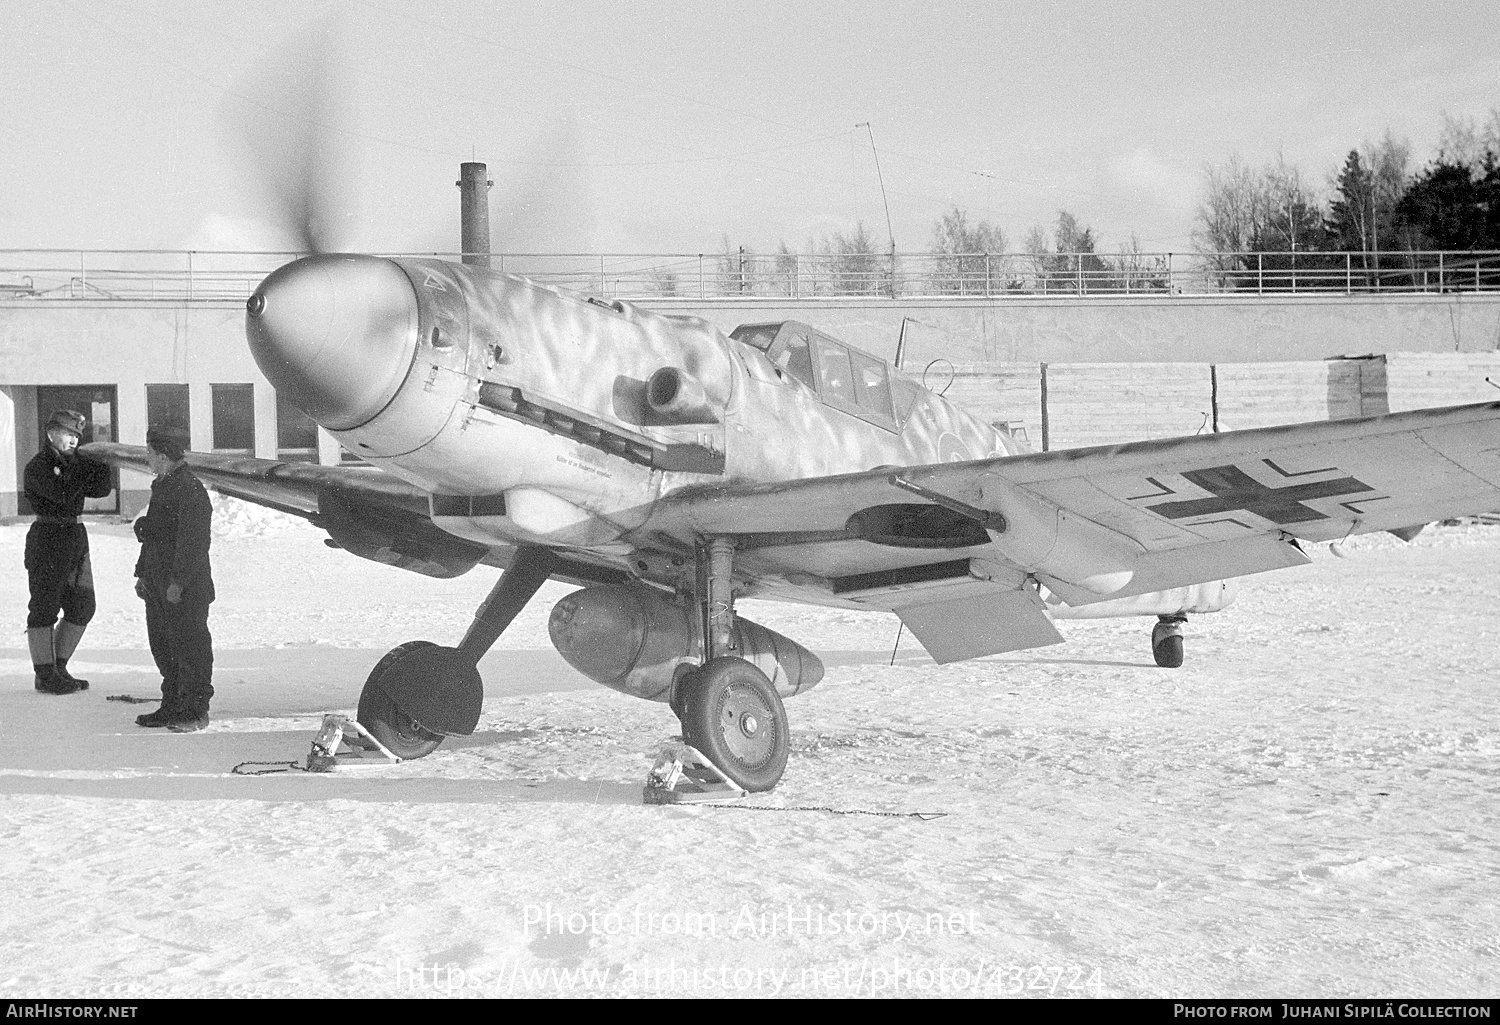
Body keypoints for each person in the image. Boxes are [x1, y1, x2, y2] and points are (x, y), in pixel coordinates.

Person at [132, 424, 216, 732]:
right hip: (158, 582)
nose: (148, 459)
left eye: (151, 454)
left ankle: (194, 710)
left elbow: (193, 543)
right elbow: (156, 538)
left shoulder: (189, 489)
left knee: (189, 647)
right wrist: (142, 574)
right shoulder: (165, 484)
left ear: (164, 456)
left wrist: (178, 583)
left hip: (183, 587)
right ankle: (172, 705)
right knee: (164, 646)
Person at [23, 409, 113, 695]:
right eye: (68, 433)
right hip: (48, 537)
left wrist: (100, 461)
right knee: (44, 606)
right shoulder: (38, 466)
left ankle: (59, 667)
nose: (74, 440)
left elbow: (101, 490)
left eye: (77, 435)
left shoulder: (74, 462)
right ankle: (44, 673)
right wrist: (82, 466)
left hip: (74, 536)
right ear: (51, 433)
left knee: (83, 606)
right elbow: (63, 492)